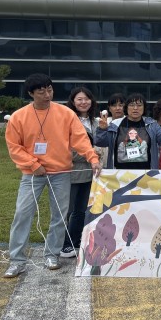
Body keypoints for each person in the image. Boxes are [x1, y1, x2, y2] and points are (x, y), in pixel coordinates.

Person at [4, 74, 102, 277]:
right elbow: (14, 147)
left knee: (59, 215)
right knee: (22, 214)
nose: (47, 95)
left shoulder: (65, 113)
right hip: (32, 174)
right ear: (31, 93)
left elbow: (80, 139)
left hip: (61, 172)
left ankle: (52, 254)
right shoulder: (18, 117)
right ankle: (17, 260)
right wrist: (33, 164)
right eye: (41, 91)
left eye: (49, 90)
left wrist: (92, 158)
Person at [60, 87, 104, 259]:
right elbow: (65, 150)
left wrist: (96, 154)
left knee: (81, 211)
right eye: (79, 99)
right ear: (72, 101)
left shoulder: (95, 122)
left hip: (90, 173)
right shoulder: (66, 121)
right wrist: (91, 153)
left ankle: (75, 241)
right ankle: (63, 244)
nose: (83, 102)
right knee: (67, 211)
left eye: (86, 99)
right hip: (71, 173)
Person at [95, 93, 161, 169]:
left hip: (146, 173)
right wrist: (102, 130)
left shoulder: (152, 125)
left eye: (139, 105)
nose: (135, 108)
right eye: (132, 105)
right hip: (119, 174)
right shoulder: (115, 125)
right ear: (126, 107)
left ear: (144, 108)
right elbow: (100, 142)